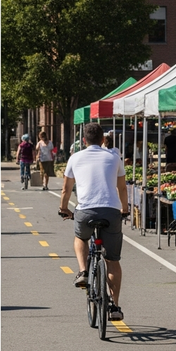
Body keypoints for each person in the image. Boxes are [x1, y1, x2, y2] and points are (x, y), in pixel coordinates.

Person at [59, 123, 128, 321]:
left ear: (83, 141)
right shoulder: (114, 157)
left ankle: (82, 271)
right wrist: (124, 209)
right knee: (112, 261)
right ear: (103, 140)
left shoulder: (75, 157)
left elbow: (66, 189)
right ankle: (115, 306)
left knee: (81, 237)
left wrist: (64, 209)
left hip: (85, 210)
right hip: (111, 210)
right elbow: (122, 188)